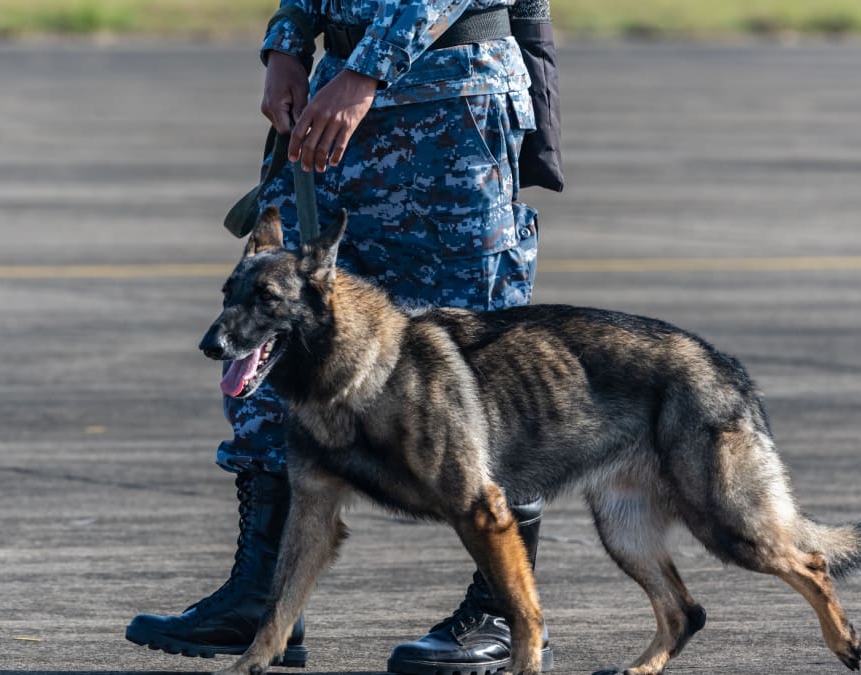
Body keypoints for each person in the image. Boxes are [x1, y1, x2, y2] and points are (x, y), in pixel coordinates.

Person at [126, 1, 554, 673]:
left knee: (480, 365)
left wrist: (364, 75)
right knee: (277, 322)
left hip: (451, 110)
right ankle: (264, 601)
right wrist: (288, 46)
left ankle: (506, 610)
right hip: (336, 107)